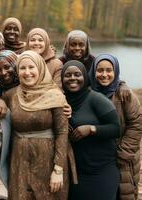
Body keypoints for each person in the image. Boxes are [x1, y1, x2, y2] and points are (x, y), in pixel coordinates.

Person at [3, 50, 75, 200]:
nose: (27, 72)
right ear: (17, 71)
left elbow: (62, 133)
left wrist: (58, 169)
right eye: (22, 68)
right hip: (19, 160)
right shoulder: (10, 95)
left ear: (40, 68)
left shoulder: (55, 95)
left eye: (31, 67)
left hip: (48, 160)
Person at [61, 60, 121, 200]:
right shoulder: (61, 100)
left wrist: (91, 129)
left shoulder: (96, 99)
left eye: (77, 74)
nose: (72, 78)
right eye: (68, 75)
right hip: (76, 172)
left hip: (101, 170)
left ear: (85, 77)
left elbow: (116, 128)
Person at [89, 54, 142, 200]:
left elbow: (137, 124)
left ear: (115, 71)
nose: (104, 74)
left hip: (121, 157)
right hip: (97, 158)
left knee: (123, 193)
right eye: (100, 70)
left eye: (109, 70)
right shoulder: (88, 92)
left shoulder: (124, 94)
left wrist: (122, 153)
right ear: (93, 71)